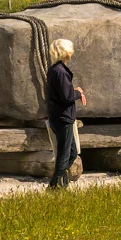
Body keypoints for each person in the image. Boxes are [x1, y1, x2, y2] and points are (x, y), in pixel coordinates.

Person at [45, 37, 86, 189]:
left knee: (72, 152)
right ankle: (54, 186)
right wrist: (77, 92)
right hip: (63, 117)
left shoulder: (56, 70)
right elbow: (66, 96)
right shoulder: (60, 72)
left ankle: (61, 182)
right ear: (66, 52)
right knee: (64, 154)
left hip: (60, 116)